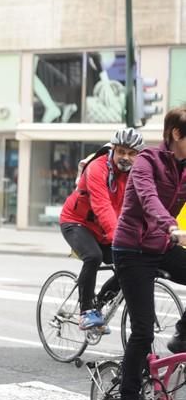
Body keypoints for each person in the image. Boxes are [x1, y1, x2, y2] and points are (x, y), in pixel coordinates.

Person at [112, 107, 186, 400]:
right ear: (175, 135)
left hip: (161, 245)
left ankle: (182, 333)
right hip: (131, 249)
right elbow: (148, 198)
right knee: (142, 330)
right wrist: (170, 226)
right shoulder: (147, 162)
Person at [59, 128, 145, 331]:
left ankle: (97, 306)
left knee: (132, 265)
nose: (126, 157)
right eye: (122, 151)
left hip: (104, 230)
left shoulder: (137, 174)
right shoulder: (97, 168)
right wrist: (119, 238)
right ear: (113, 149)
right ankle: (86, 312)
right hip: (76, 222)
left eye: (132, 153)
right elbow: (102, 206)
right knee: (93, 256)